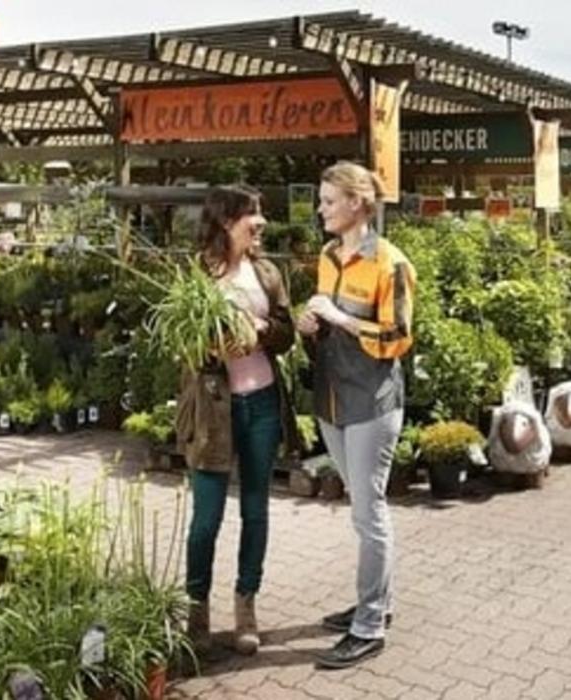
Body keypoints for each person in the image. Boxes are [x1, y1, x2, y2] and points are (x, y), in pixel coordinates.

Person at [296, 161, 416, 670]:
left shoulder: (391, 264)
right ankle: (377, 603)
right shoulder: (327, 256)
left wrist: (342, 318)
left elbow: (399, 338)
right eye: (321, 200)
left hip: (371, 401)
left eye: (328, 200)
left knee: (369, 513)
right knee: (360, 508)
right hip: (331, 399)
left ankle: (368, 625)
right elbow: (327, 327)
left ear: (356, 204)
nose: (320, 208)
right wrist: (310, 325)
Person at [183, 185, 298, 656]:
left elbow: (287, 333)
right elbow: (180, 342)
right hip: (213, 408)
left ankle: (246, 604)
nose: (261, 222)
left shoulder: (267, 272)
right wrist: (210, 347)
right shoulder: (197, 275)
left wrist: (264, 330)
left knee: (256, 509)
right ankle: (197, 606)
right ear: (227, 220)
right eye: (253, 214)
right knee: (206, 518)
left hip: (262, 402)